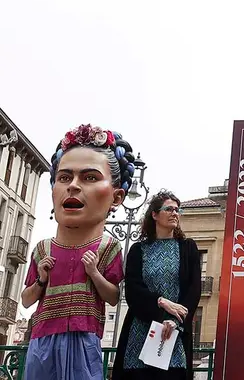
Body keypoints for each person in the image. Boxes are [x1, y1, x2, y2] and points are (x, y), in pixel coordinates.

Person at [21, 123, 135, 379]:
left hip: (85, 338)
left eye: (90, 177)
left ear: (117, 197)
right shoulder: (42, 248)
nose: (72, 186)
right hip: (42, 338)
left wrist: (94, 272)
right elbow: (27, 300)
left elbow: (114, 297)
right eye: (64, 177)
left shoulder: (108, 247)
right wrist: (41, 278)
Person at [113, 190, 202, 380]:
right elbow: (133, 291)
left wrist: (176, 321)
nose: (174, 213)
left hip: (174, 331)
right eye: (169, 209)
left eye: (177, 210)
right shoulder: (138, 250)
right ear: (154, 214)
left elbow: (194, 290)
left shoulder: (188, 248)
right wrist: (161, 303)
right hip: (140, 331)